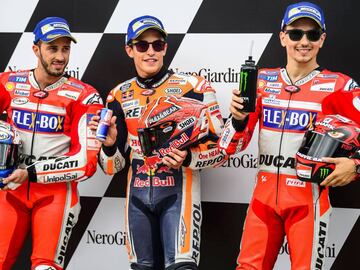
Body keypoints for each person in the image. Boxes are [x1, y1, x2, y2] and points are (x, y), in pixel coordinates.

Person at [218, 2, 359, 269]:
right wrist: (236, 121)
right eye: (296, 34)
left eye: (312, 34)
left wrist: (355, 165)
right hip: (263, 199)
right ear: (283, 37)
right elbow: (229, 147)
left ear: (322, 39)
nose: (303, 41)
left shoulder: (341, 86)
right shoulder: (260, 81)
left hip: (309, 200)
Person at [92, 15, 225, 270]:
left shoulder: (194, 87)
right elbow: (112, 167)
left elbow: (221, 150)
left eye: (157, 44)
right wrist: (109, 146)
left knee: (181, 267)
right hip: (137, 199)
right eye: (142, 45)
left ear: (165, 47)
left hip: (179, 194)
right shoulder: (118, 95)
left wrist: (188, 158)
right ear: (129, 50)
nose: (150, 51)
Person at [0, 17, 103, 270]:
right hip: (9, 189)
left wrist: (32, 173)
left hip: (55, 193)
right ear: (36, 49)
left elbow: (86, 164)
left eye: (65, 48)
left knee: (46, 267)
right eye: (52, 48)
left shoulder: (86, 96)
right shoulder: (7, 83)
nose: (60, 56)